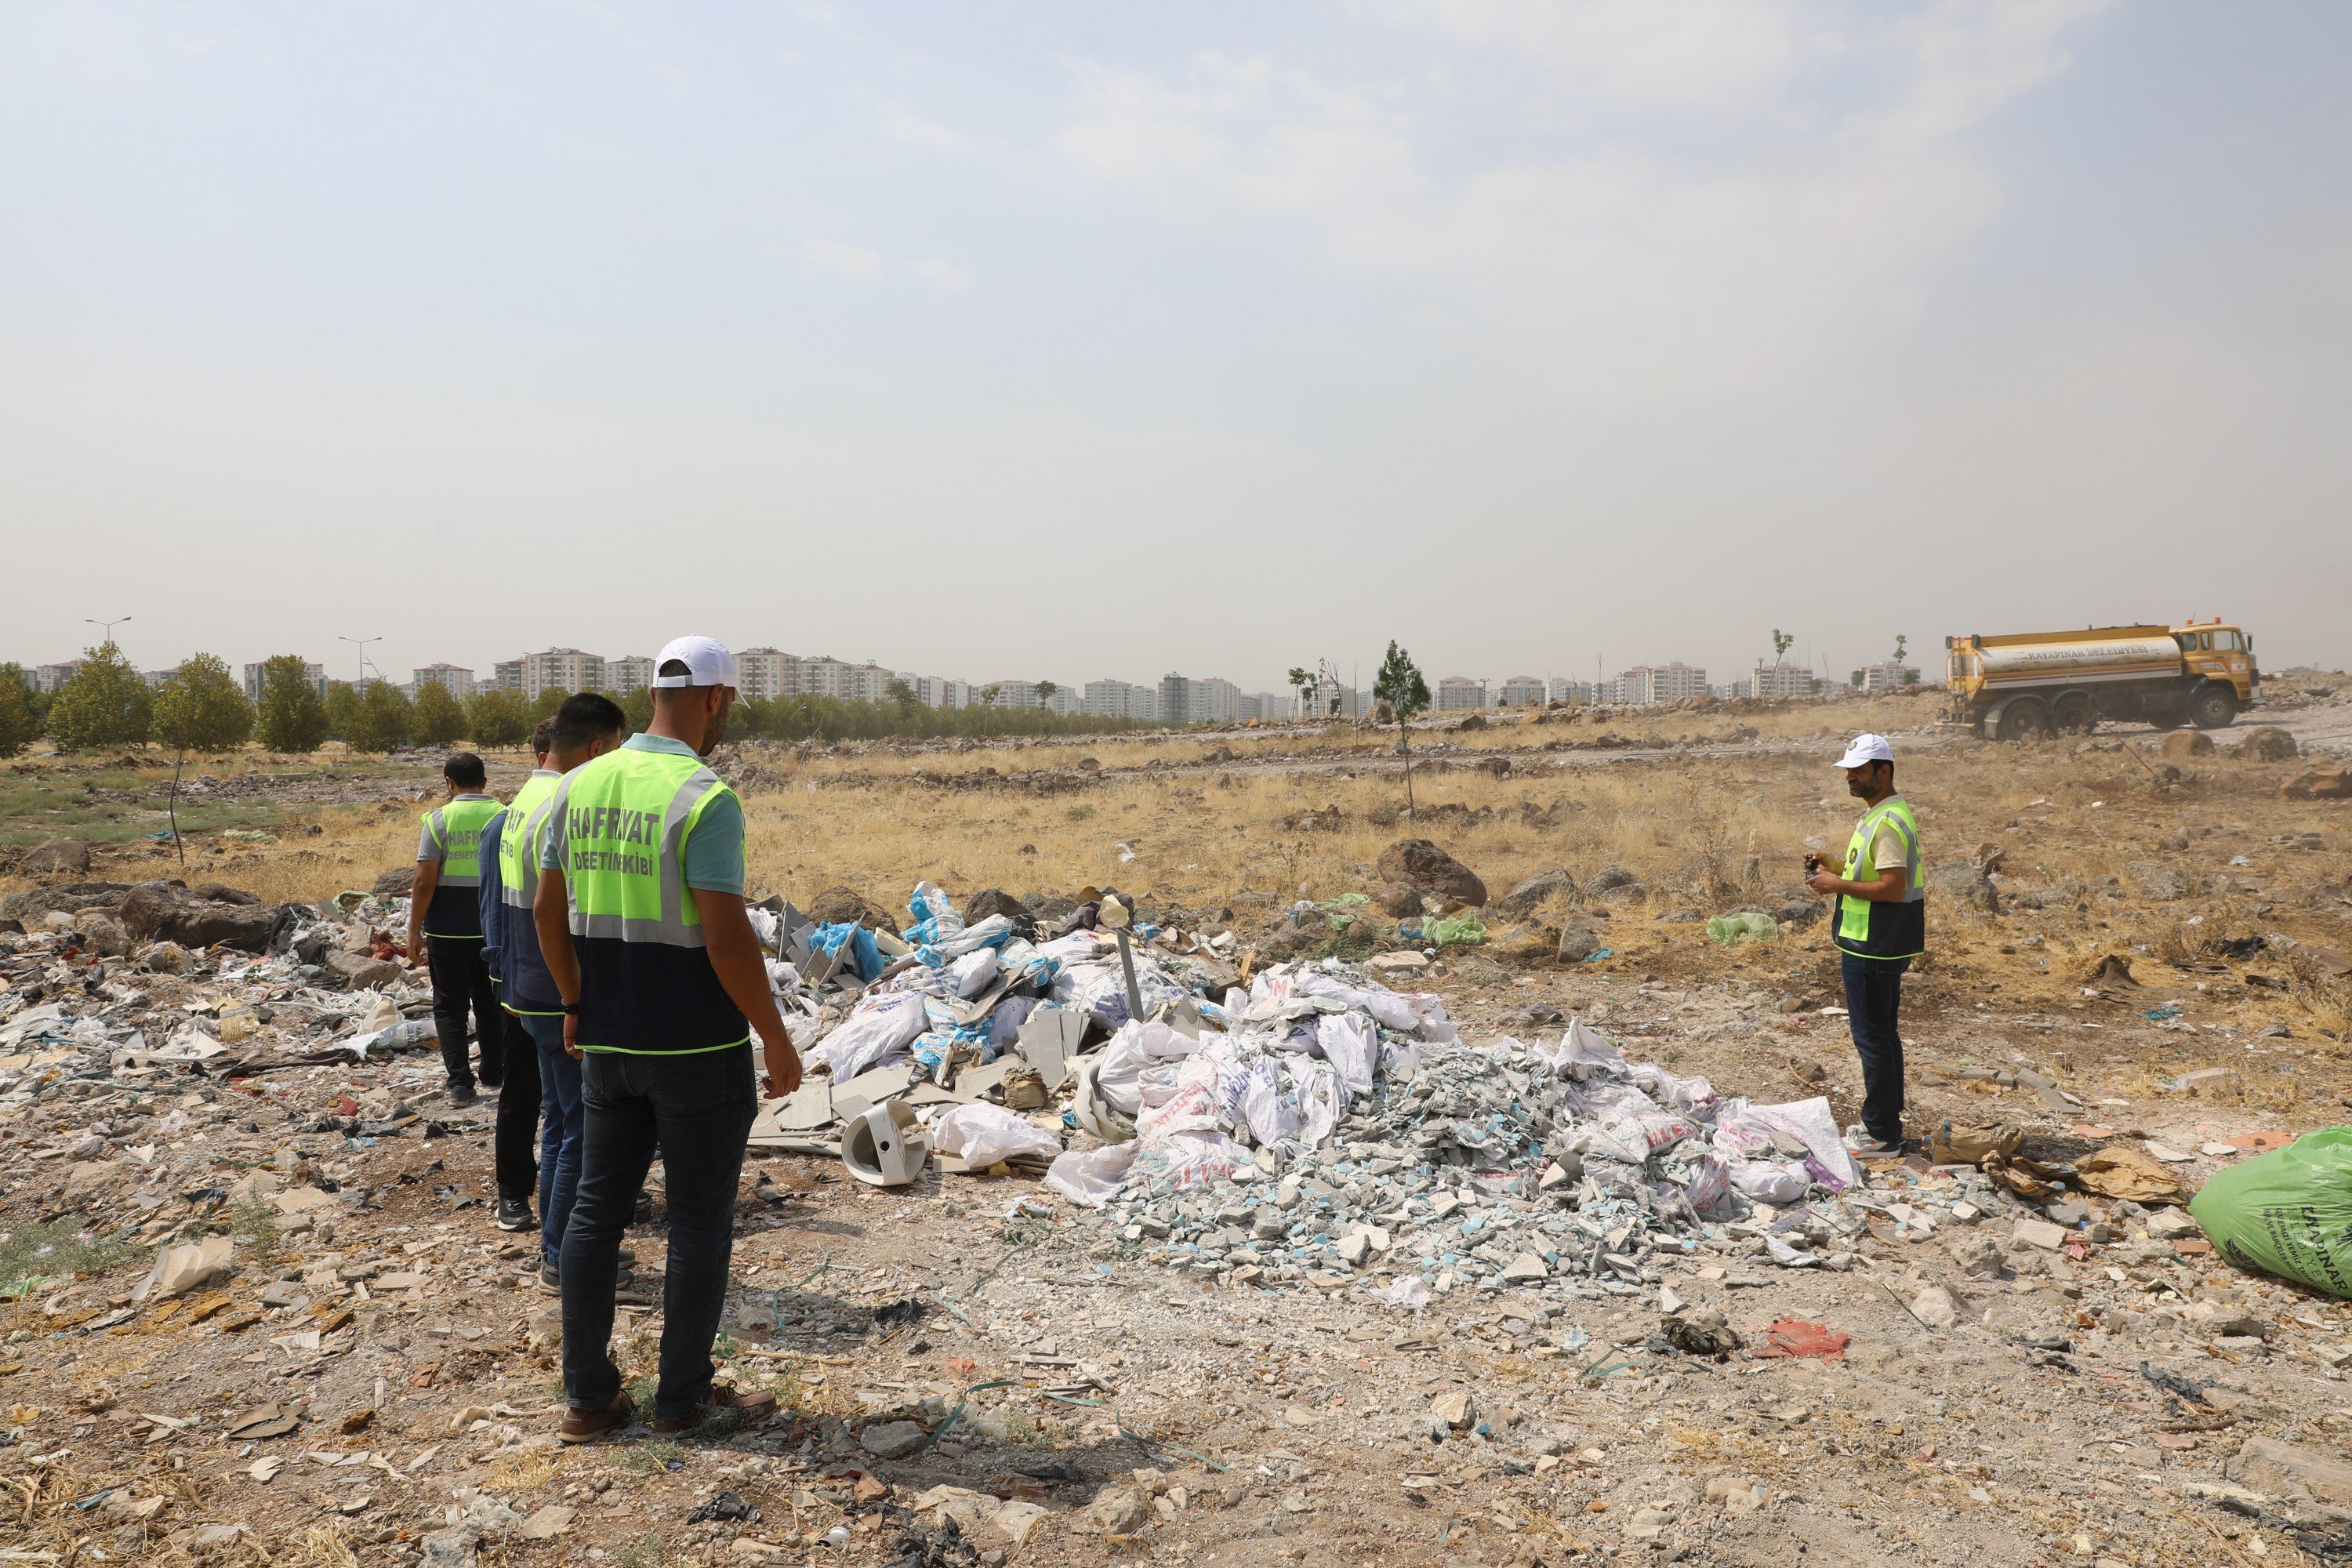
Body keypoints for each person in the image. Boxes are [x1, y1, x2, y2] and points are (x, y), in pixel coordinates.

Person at [534, 637, 802, 1442]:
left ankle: (588, 1398)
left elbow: (548, 911)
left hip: (608, 1043)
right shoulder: (704, 796)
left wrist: (575, 1000)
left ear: (654, 692)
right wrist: (777, 1038)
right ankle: (682, 1399)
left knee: (591, 1213)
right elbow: (725, 937)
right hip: (694, 1051)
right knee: (695, 1223)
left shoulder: (574, 786)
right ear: (716, 699)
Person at [490, 698, 628, 1285]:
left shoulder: (524, 800)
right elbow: (561, 911)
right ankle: (562, 1258)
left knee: (558, 1120)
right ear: (597, 749)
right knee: (579, 1132)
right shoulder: (563, 805)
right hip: (557, 990)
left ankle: (560, 1242)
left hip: (527, 986)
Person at [1805, 732, 1926, 1156]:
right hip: (1874, 943)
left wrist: (1836, 884)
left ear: (1884, 771)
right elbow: (1873, 873)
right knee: (1883, 1036)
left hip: (1874, 945)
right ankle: (1885, 1122)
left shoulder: (1888, 820)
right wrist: (1835, 867)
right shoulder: (1879, 815)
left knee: (1872, 1038)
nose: (1850, 778)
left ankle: (1881, 1134)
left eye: (1858, 771)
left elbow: (1891, 888)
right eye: (1848, 771)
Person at [477, 720, 559, 1233]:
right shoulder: (504, 823)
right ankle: (513, 1193)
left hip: (550, 979)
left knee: (569, 1099)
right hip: (522, 981)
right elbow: (492, 906)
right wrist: (499, 970)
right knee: (524, 1092)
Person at [407, 753, 506, 1107]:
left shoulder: (438, 820)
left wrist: (414, 930)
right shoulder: (503, 816)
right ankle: (495, 1072)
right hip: (492, 929)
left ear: (448, 782)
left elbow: (423, 882)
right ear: (485, 781)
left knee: (449, 1008)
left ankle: (460, 1085)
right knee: (490, 1004)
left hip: (447, 931)